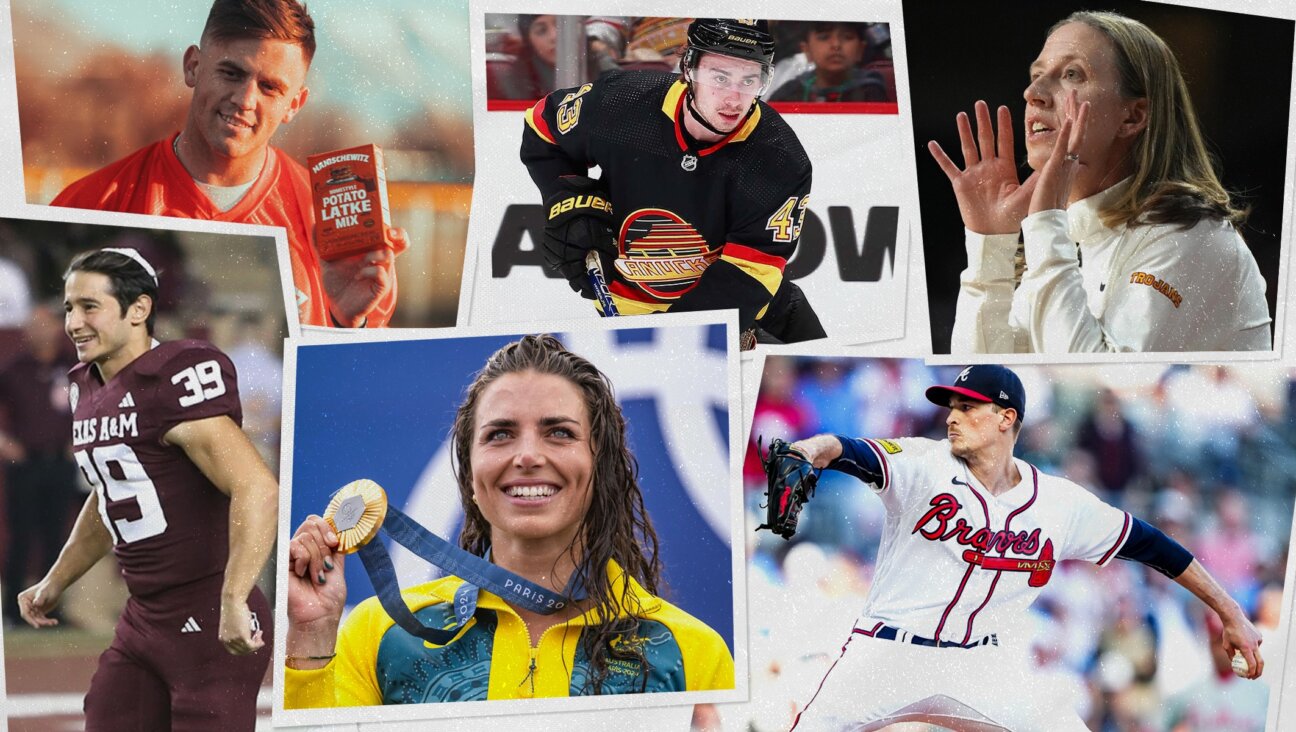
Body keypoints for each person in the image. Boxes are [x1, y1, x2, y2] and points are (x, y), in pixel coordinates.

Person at [770, 364, 1263, 731]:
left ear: (1006, 417)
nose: (952, 417)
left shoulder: (1058, 503)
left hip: (980, 666)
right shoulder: (922, 462)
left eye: (967, 406)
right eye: (951, 406)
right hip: (884, 654)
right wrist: (807, 452)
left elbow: (1156, 547)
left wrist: (1231, 612)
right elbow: (845, 449)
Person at [282, 334, 734, 705]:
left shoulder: (690, 652)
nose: (528, 456)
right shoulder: (382, 632)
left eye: (559, 432)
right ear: (471, 475)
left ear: (602, 466)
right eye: (500, 434)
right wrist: (311, 637)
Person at [19, 248, 278, 729]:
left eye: (89, 307)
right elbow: (110, 493)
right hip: (143, 619)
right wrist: (56, 580)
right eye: (69, 307)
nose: (74, 322)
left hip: (207, 616)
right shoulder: (86, 386)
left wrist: (234, 598)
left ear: (138, 309)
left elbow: (257, 487)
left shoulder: (173, 376)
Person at [48, 0, 404, 329]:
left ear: (295, 104)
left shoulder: (334, 231)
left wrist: (340, 321)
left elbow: (338, 387)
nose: (245, 100)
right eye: (232, 73)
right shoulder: (92, 202)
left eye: (269, 87)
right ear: (193, 67)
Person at [928, 11, 1270, 353]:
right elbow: (987, 372)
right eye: (1036, 75)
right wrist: (991, 247)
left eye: (1072, 74)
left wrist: (1046, 221)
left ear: (1133, 116)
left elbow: (1106, 379)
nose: (1033, 92)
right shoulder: (1068, 239)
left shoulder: (1191, 235)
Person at [521, 18, 825, 347]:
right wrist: (567, 199)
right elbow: (541, 129)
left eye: (749, 80)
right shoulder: (621, 103)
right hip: (631, 307)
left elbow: (748, 276)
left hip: (750, 315)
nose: (734, 99)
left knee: (829, 381)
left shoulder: (780, 158)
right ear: (688, 69)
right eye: (720, 77)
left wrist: (671, 340)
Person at [767, 23, 889, 104]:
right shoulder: (788, 93)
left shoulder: (871, 92)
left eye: (847, 37)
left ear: (861, 50)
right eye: (824, 37)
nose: (836, 45)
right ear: (806, 50)